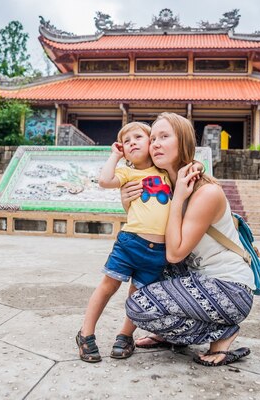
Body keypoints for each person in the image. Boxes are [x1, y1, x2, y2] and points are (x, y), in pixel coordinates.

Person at [123, 112, 256, 367]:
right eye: (153, 139)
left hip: (230, 288)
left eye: (164, 137)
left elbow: (175, 253)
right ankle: (169, 333)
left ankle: (223, 332)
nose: (156, 144)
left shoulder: (205, 192)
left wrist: (180, 199)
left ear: (183, 142)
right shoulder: (166, 187)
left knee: (138, 308)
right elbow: (151, 237)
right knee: (147, 266)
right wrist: (126, 201)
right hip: (198, 279)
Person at [76, 121, 172, 363]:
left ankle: (125, 335)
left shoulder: (166, 173)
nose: (132, 143)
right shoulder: (128, 172)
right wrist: (114, 156)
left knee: (138, 294)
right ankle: (85, 333)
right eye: (127, 142)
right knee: (108, 286)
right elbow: (104, 181)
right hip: (130, 243)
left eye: (138, 137)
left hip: (158, 251)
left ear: (151, 143)